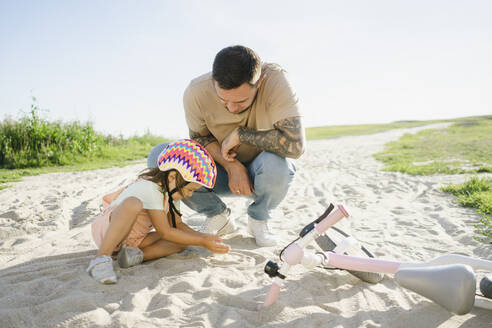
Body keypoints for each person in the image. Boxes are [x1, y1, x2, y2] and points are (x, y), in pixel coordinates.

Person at [147, 45, 305, 247]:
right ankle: (217, 216)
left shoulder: (275, 80)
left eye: (241, 101)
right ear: (214, 82)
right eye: (223, 100)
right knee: (162, 156)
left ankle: (258, 219)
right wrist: (231, 166)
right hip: (217, 173)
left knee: (278, 165)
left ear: (260, 82)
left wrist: (242, 135)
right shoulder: (196, 91)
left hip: (261, 173)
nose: (232, 108)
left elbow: (296, 145)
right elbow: (197, 139)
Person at [86, 139, 230, 284]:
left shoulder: (171, 193)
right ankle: (100, 258)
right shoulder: (149, 188)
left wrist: (205, 237)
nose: (190, 195)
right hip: (108, 231)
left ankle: (134, 256)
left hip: (134, 239)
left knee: (181, 241)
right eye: (190, 189)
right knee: (133, 204)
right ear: (172, 177)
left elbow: (177, 225)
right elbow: (164, 232)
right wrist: (202, 241)